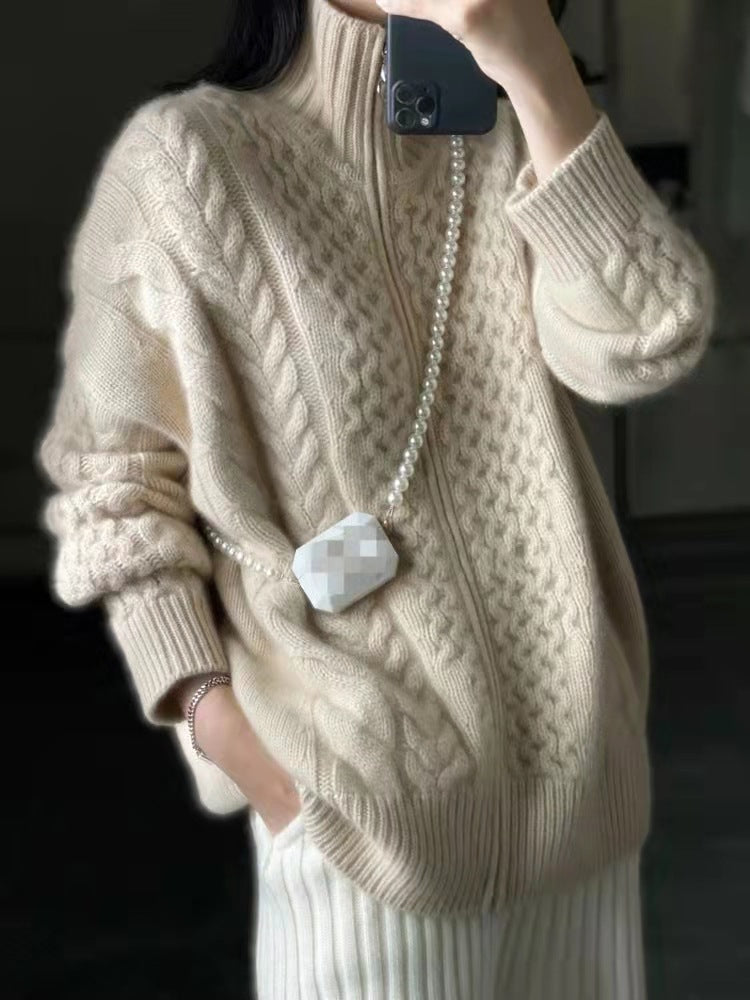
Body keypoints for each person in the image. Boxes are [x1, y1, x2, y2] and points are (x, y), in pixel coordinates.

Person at [34, 0, 716, 996]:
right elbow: (113, 484)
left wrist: (536, 67)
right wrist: (225, 730)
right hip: (359, 826)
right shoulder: (187, 159)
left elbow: (650, 338)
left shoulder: (516, 138)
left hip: (579, 804)